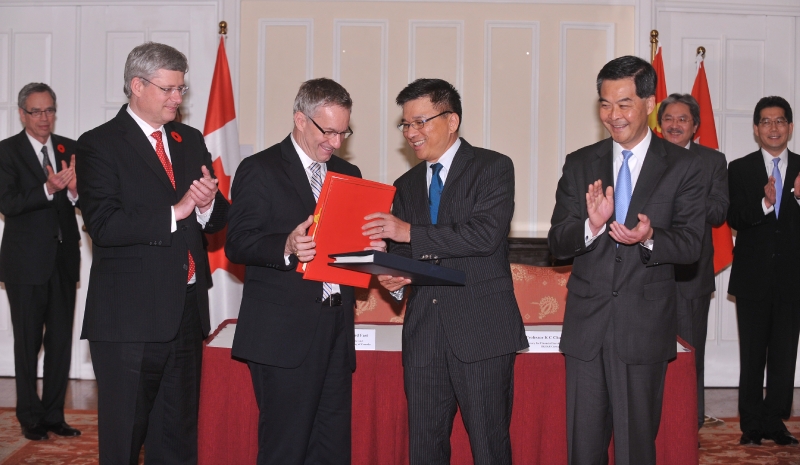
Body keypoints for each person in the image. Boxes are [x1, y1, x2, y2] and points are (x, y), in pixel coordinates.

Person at [75, 42, 229, 464]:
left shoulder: (189, 138)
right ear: (137, 86)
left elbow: (216, 218)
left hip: (185, 311)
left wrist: (207, 204)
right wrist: (176, 211)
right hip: (129, 319)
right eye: (169, 89)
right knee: (125, 436)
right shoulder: (98, 144)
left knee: (178, 436)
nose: (179, 98)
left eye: (182, 89)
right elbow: (104, 226)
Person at [548, 56, 705, 465]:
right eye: (604, 104)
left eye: (623, 104)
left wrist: (650, 237)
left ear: (649, 103)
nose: (612, 115)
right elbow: (558, 242)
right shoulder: (581, 162)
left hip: (643, 328)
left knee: (637, 448)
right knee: (583, 449)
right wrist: (592, 224)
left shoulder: (685, 166)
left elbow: (690, 246)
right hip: (587, 328)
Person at [365, 78, 528, 465]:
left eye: (420, 121)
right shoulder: (404, 185)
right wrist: (395, 278)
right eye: (405, 125)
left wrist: (408, 232)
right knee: (425, 445)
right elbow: (407, 253)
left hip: (481, 329)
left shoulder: (492, 167)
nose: (411, 133)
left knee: (489, 445)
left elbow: (485, 236)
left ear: (452, 120)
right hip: (424, 332)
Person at [226, 78, 383, 465]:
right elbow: (238, 243)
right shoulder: (259, 168)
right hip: (282, 335)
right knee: (287, 448)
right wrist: (286, 245)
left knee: (331, 448)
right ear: (300, 119)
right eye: (328, 131)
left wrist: (374, 250)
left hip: (335, 328)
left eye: (344, 131)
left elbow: (347, 248)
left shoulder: (349, 171)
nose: (336, 142)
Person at [0, 83, 81, 441]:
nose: (44, 118)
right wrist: (48, 189)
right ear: (22, 114)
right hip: (25, 264)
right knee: (28, 342)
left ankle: (54, 415)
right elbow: (9, 203)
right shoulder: (6, 152)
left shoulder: (69, 148)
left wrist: (76, 189)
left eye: (49, 110)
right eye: (36, 111)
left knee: (61, 343)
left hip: (63, 261)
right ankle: (29, 416)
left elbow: (87, 199)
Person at [727, 96, 799, 446]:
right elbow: (734, 218)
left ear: (790, 127)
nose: (774, 127)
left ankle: (776, 421)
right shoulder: (739, 169)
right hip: (753, 277)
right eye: (766, 122)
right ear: (756, 129)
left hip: (793, 278)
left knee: (785, 355)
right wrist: (765, 203)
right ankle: (751, 423)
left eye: (780, 121)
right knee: (753, 354)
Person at [657, 93, 729, 432]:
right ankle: (655, 420)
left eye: (682, 119)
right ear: (660, 123)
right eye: (669, 118)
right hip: (647, 270)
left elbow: (717, 213)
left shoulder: (712, 161)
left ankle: (689, 423)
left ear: (695, 126)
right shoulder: (647, 156)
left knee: (689, 355)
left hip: (691, 274)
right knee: (649, 352)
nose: (674, 125)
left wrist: (686, 186)